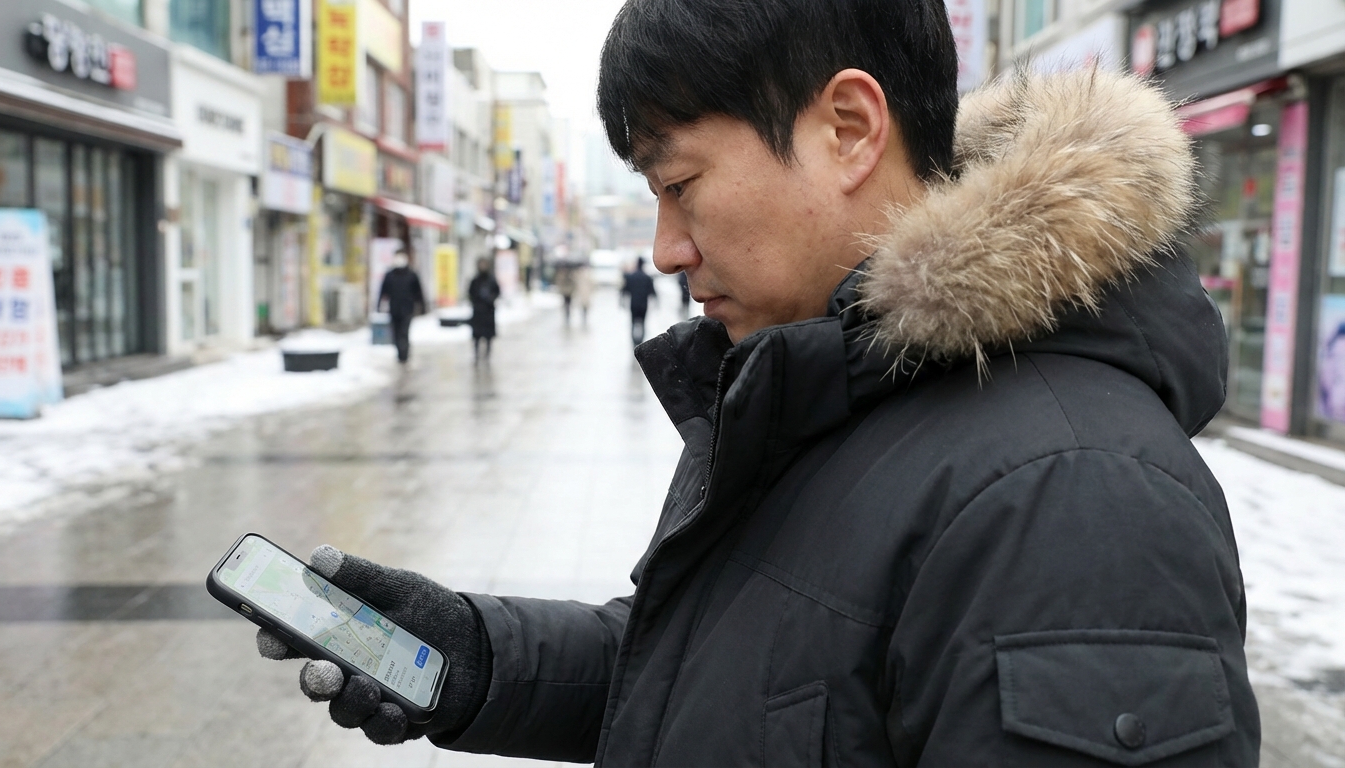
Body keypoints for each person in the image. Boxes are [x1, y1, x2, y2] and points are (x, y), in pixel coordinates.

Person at [253, 0, 1260, 763]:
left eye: (679, 184)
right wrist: (476, 659)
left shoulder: (1071, 499)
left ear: (850, 130)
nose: (661, 248)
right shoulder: (838, 382)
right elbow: (740, 674)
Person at [375, 248, 425, 364]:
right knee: (396, 332)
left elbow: (418, 292)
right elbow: (383, 291)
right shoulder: (390, 275)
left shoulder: (412, 275)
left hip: (407, 309)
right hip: (394, 309)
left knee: (404, 331)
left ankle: (405, 354)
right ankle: (399, 353)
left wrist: (422, 307)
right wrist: (379, 306)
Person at [467, 258, 500, 363]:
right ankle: (476, 354)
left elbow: (497, 292)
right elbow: (470, 293)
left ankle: (487, 354)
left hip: (488, 311)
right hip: (478, 312)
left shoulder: (491, 279)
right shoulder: (475, 280)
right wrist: (476, 302)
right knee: (477, 335)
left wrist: (491, 299)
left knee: (488, 335)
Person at [620, 257, 657, 346]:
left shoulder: (631, 277)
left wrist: (621, 302)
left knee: (633, 322)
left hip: (633, 304)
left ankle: (634, 341)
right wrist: (656, 303)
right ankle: (641, 341)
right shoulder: (647, 278)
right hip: (643, 305)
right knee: (643, 322)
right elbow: (653, 292)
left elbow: (624, 290)